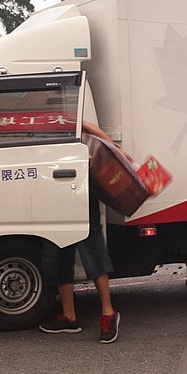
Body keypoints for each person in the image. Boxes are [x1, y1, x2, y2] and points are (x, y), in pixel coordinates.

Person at [39, 121, 122, 344]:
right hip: (52, 190)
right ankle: (69, 316)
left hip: (80, 187)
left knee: (91, 249)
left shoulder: (60, 106)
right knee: (58, 250)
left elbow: (86, 125)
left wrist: (114, 148)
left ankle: (108, 313)